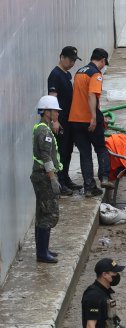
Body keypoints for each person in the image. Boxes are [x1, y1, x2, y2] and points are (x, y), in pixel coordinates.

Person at [69, 48, 113, 197]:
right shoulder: (95, 74)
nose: (103, 66)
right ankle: (104, 177)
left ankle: (89, 187)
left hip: (75, 119)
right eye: (104, 63)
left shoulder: (79, 71)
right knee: (101, 148)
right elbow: (91, 95)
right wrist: (94, 117)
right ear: (102, 60)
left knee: (85, 154)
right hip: (89, 119)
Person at [31, 96, 63, 264]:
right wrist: (52, 178)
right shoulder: (44, 131)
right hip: (44, 176)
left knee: (43, 212)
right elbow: (45, 156)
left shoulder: (42, 128)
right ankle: (42, 253)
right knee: (48, 213)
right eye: (55, 111)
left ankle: (43, 250)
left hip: (41, 175)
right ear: (47, 112)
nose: (57, 113)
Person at [48, 46, 82, 195]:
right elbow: (52, 99)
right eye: (70, 59)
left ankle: (66, 178)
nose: (72, 63)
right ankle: (60, 183)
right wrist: (55, 120)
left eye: (74, 60)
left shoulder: (66, 74)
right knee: (61, 152)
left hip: (69, 120)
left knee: (68, 151)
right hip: (60, 120)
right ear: (62, 57)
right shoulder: (55, 75)